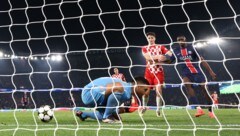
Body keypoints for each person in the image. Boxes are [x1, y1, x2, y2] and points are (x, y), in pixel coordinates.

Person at [160, 35, 217, 118]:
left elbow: (202, 60)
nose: (180, 41)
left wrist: (211, 72)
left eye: (182, 39)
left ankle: (210, 111)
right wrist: (159, 61)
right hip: (186, 73)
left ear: (185, 40)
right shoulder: (175, 50)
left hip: (197, 72)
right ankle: (199, 109)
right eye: (178, 40)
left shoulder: (192, 48)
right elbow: (170, 61)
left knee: (205, 89)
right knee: (187, 85)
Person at [76, 76, 149, 123]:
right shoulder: (125, 88)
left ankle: (84, 114)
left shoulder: (127, 90)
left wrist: (114, 114)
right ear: (138, 87)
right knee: (118, 88)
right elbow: (112, 87)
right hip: (89, 93)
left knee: (105, 114)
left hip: (94, 94)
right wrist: (111, 112)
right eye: (145, 90)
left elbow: (113, 104)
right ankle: (107, 116)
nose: (145, 93)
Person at [141, 32, 172, 117]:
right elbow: (148, 58)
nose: (150, 39)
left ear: (155, 38)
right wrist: (159, 57)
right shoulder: (144, 48)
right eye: (149, 38)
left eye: (152, 37)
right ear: (147, 39)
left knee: (159, 90)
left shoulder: (160, 47)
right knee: (146, 92)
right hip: (148, 72)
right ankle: (144, 107)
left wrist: (166, 57)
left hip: (159, 72)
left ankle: (158, 109)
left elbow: (170, 54)